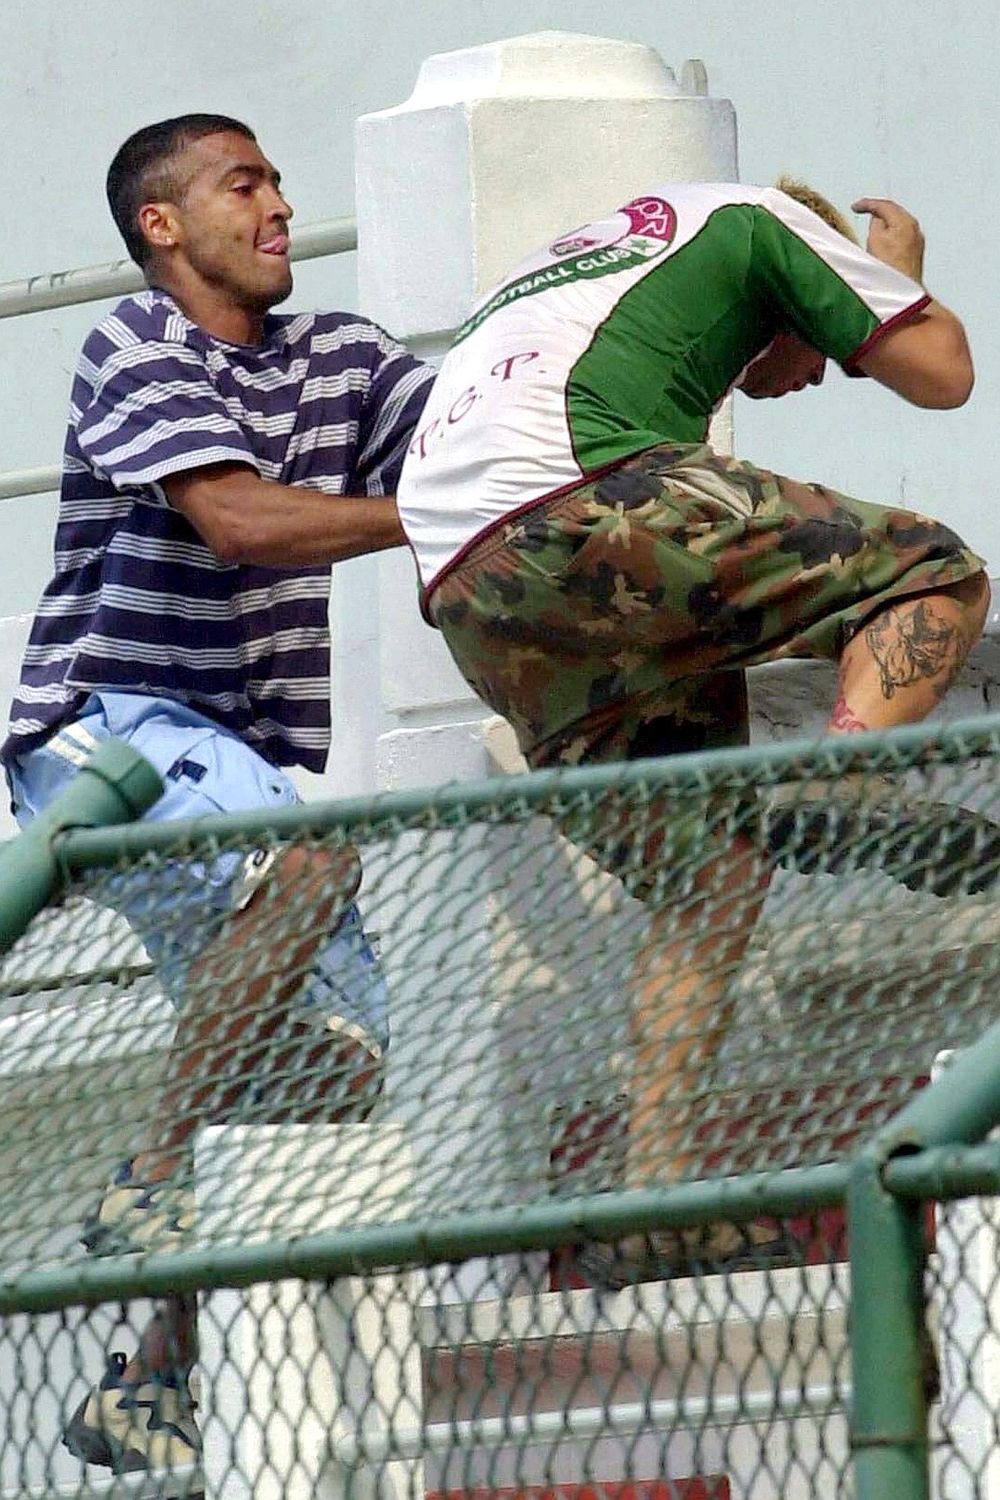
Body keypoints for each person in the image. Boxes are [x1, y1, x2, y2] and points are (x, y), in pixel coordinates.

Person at [396, 177, 990, 1281]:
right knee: (930, 573)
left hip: (469, 599)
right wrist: (891, 285)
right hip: (582, 497)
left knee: (709, 882)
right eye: (812, 348)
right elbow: (942, 374)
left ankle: (654, 1195)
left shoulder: (586, 269)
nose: (807, 376)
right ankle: (844, 781)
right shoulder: (756, 220)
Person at [2, 114, 433, 1472]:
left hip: (238, 755)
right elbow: (241, 523)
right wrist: (433, 513)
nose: (282, 206)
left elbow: (479, 439)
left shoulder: (345, 358)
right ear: (162, 227)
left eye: (280, 183)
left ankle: (144, 1377)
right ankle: (147, 1182)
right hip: (108, 734)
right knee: (303, 867)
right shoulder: (134, 346)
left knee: (322, 1075)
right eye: (245, 184)